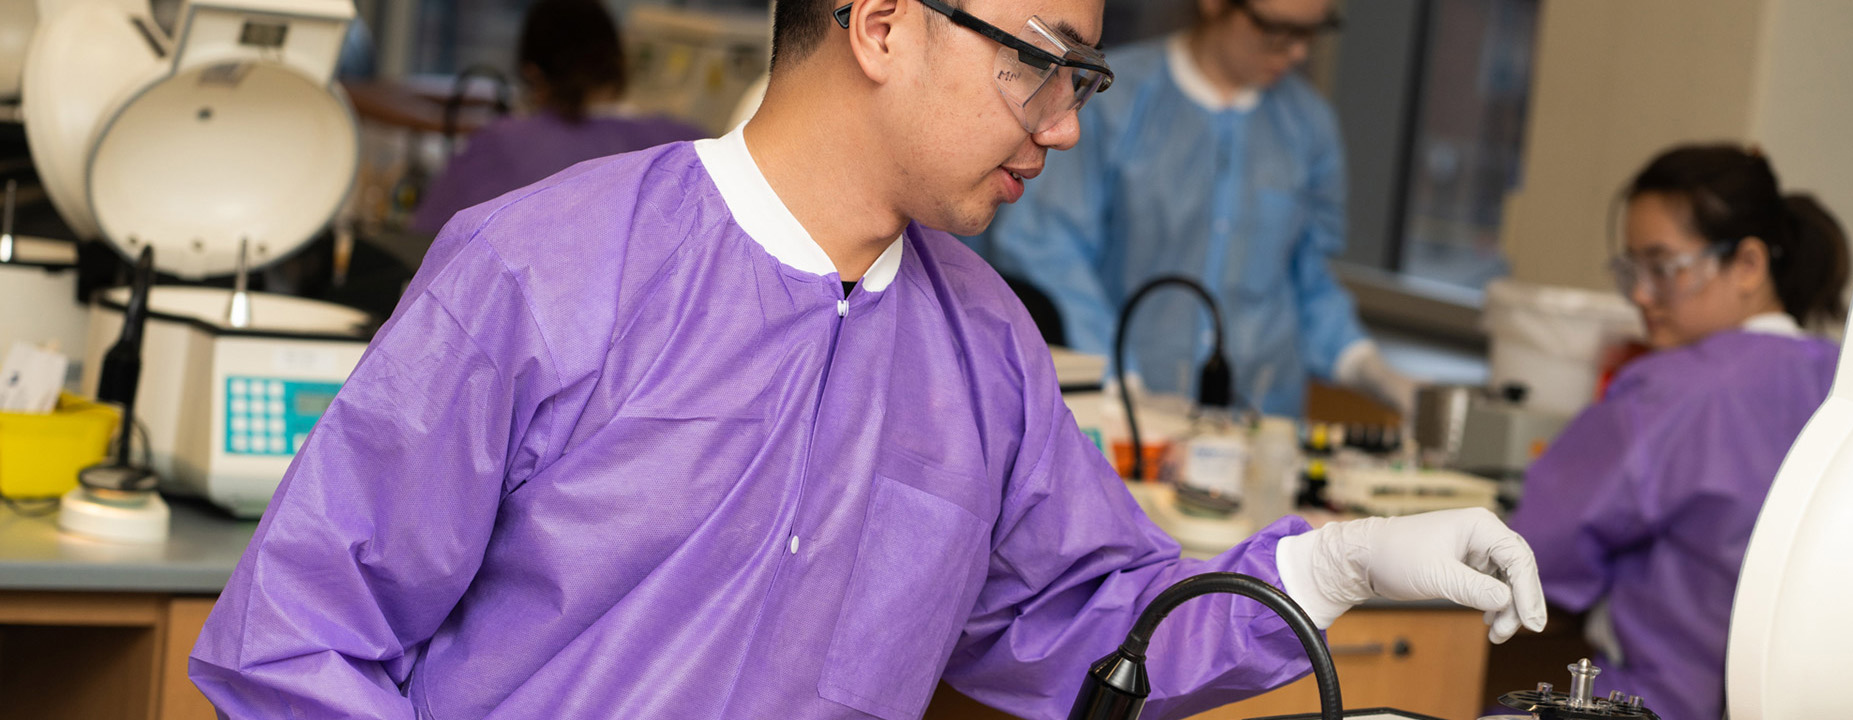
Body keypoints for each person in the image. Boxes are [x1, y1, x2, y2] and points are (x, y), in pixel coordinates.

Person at [189, 0, 1544, 717]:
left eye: (1087, 79)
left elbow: (1085, 632)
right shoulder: (541, 271)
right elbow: (300, 639)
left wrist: (1332, 567)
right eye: (1042, 64)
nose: (1065, 126)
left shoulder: (981, 347)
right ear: (886, 22)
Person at [1508, 144, 1851, 720]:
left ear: (1747, 264)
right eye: (1631, 270)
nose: (1642, 294)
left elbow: (1535, 559)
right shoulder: (1845, 381)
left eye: (1663, 268)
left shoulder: (1671, 391)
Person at [974, 0, 1415, 419]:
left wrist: (1367, 365)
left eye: (1312, 32)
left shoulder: (1309, 128)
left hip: (1261, 414)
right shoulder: (1114, 101)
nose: (1298, 52)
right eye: (1277, 31)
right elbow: (1048, 249)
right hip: (1129, 408)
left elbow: (1311, 280)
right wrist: (1117, 379)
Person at [409, 0, 706, 236]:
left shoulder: (502, 146)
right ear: (619, 62)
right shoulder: (690, 144)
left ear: (532, 74)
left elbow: (427, 244)